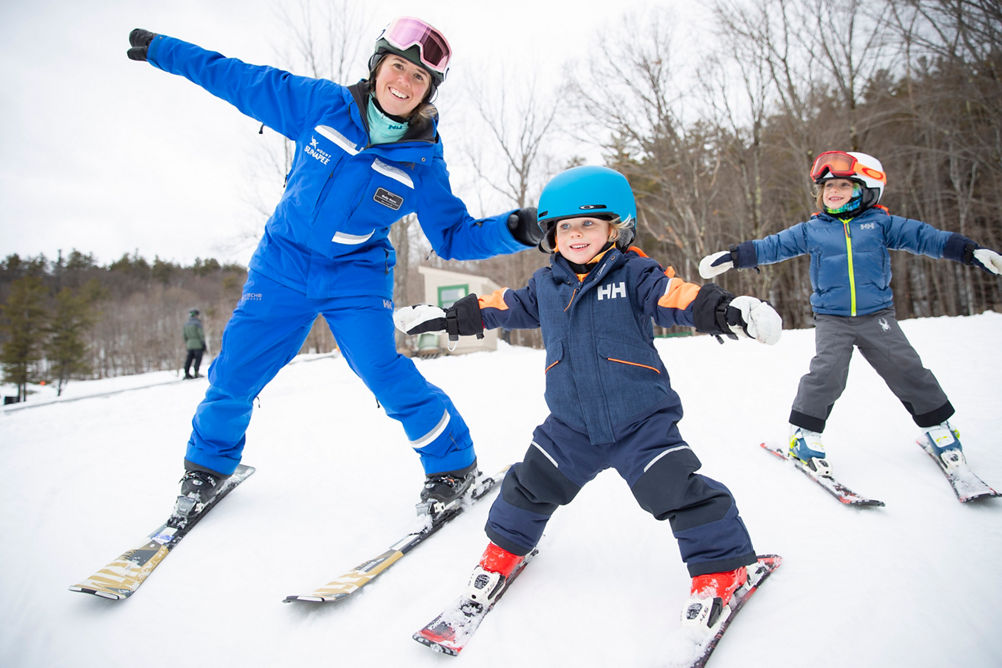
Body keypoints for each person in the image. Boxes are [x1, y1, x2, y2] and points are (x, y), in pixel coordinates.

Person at [125, 18, 543, 521]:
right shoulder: (321, 104)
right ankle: (207, 468)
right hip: (282, 265)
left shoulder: (423, 162)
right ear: (377, 67)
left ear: (429, 91)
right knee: (234, 371)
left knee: (383, 371)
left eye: (419, 77)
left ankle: (453, 465)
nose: (404, 82)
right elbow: (234, 77)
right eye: (397, 67)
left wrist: (515, 229)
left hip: (355, 277)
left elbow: (453, 236)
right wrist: (163, 50)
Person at [394, 165, 783, 629]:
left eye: (588, 224)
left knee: (678, 491)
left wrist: (727, 310)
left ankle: (724, 569)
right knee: (528, 486)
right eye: (565, 227)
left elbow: (678, 297)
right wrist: (445, 318)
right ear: (551, 235)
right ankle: (503, 553)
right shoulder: (545, 286)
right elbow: (499, 307)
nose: (576, 235)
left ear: (615, 228)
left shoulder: (636, 274)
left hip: (640, 422)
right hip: (570, 426)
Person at [699, 150, 1002, 478]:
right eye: (828, 186)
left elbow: (925, 237)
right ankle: (804, 436)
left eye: (844, 185)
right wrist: (734, 256)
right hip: (832, 319)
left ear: (866, 190)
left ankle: (938, 427)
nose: (834, 191)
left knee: (907, 368)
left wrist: (970, 251)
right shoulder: (813, 230)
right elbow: (773, 245)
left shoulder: (881, 224)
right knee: (827, 374)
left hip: (877, 315)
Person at [182, 308, 207, 379]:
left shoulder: (186, 324)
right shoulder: (198, 323)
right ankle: (196, 372)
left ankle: (186, 373)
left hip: (189, 345)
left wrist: (187, 343)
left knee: (189, 359)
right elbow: (201, 334)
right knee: (198, 358)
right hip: (197, 344)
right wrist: (203, 343)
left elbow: (184, 336)